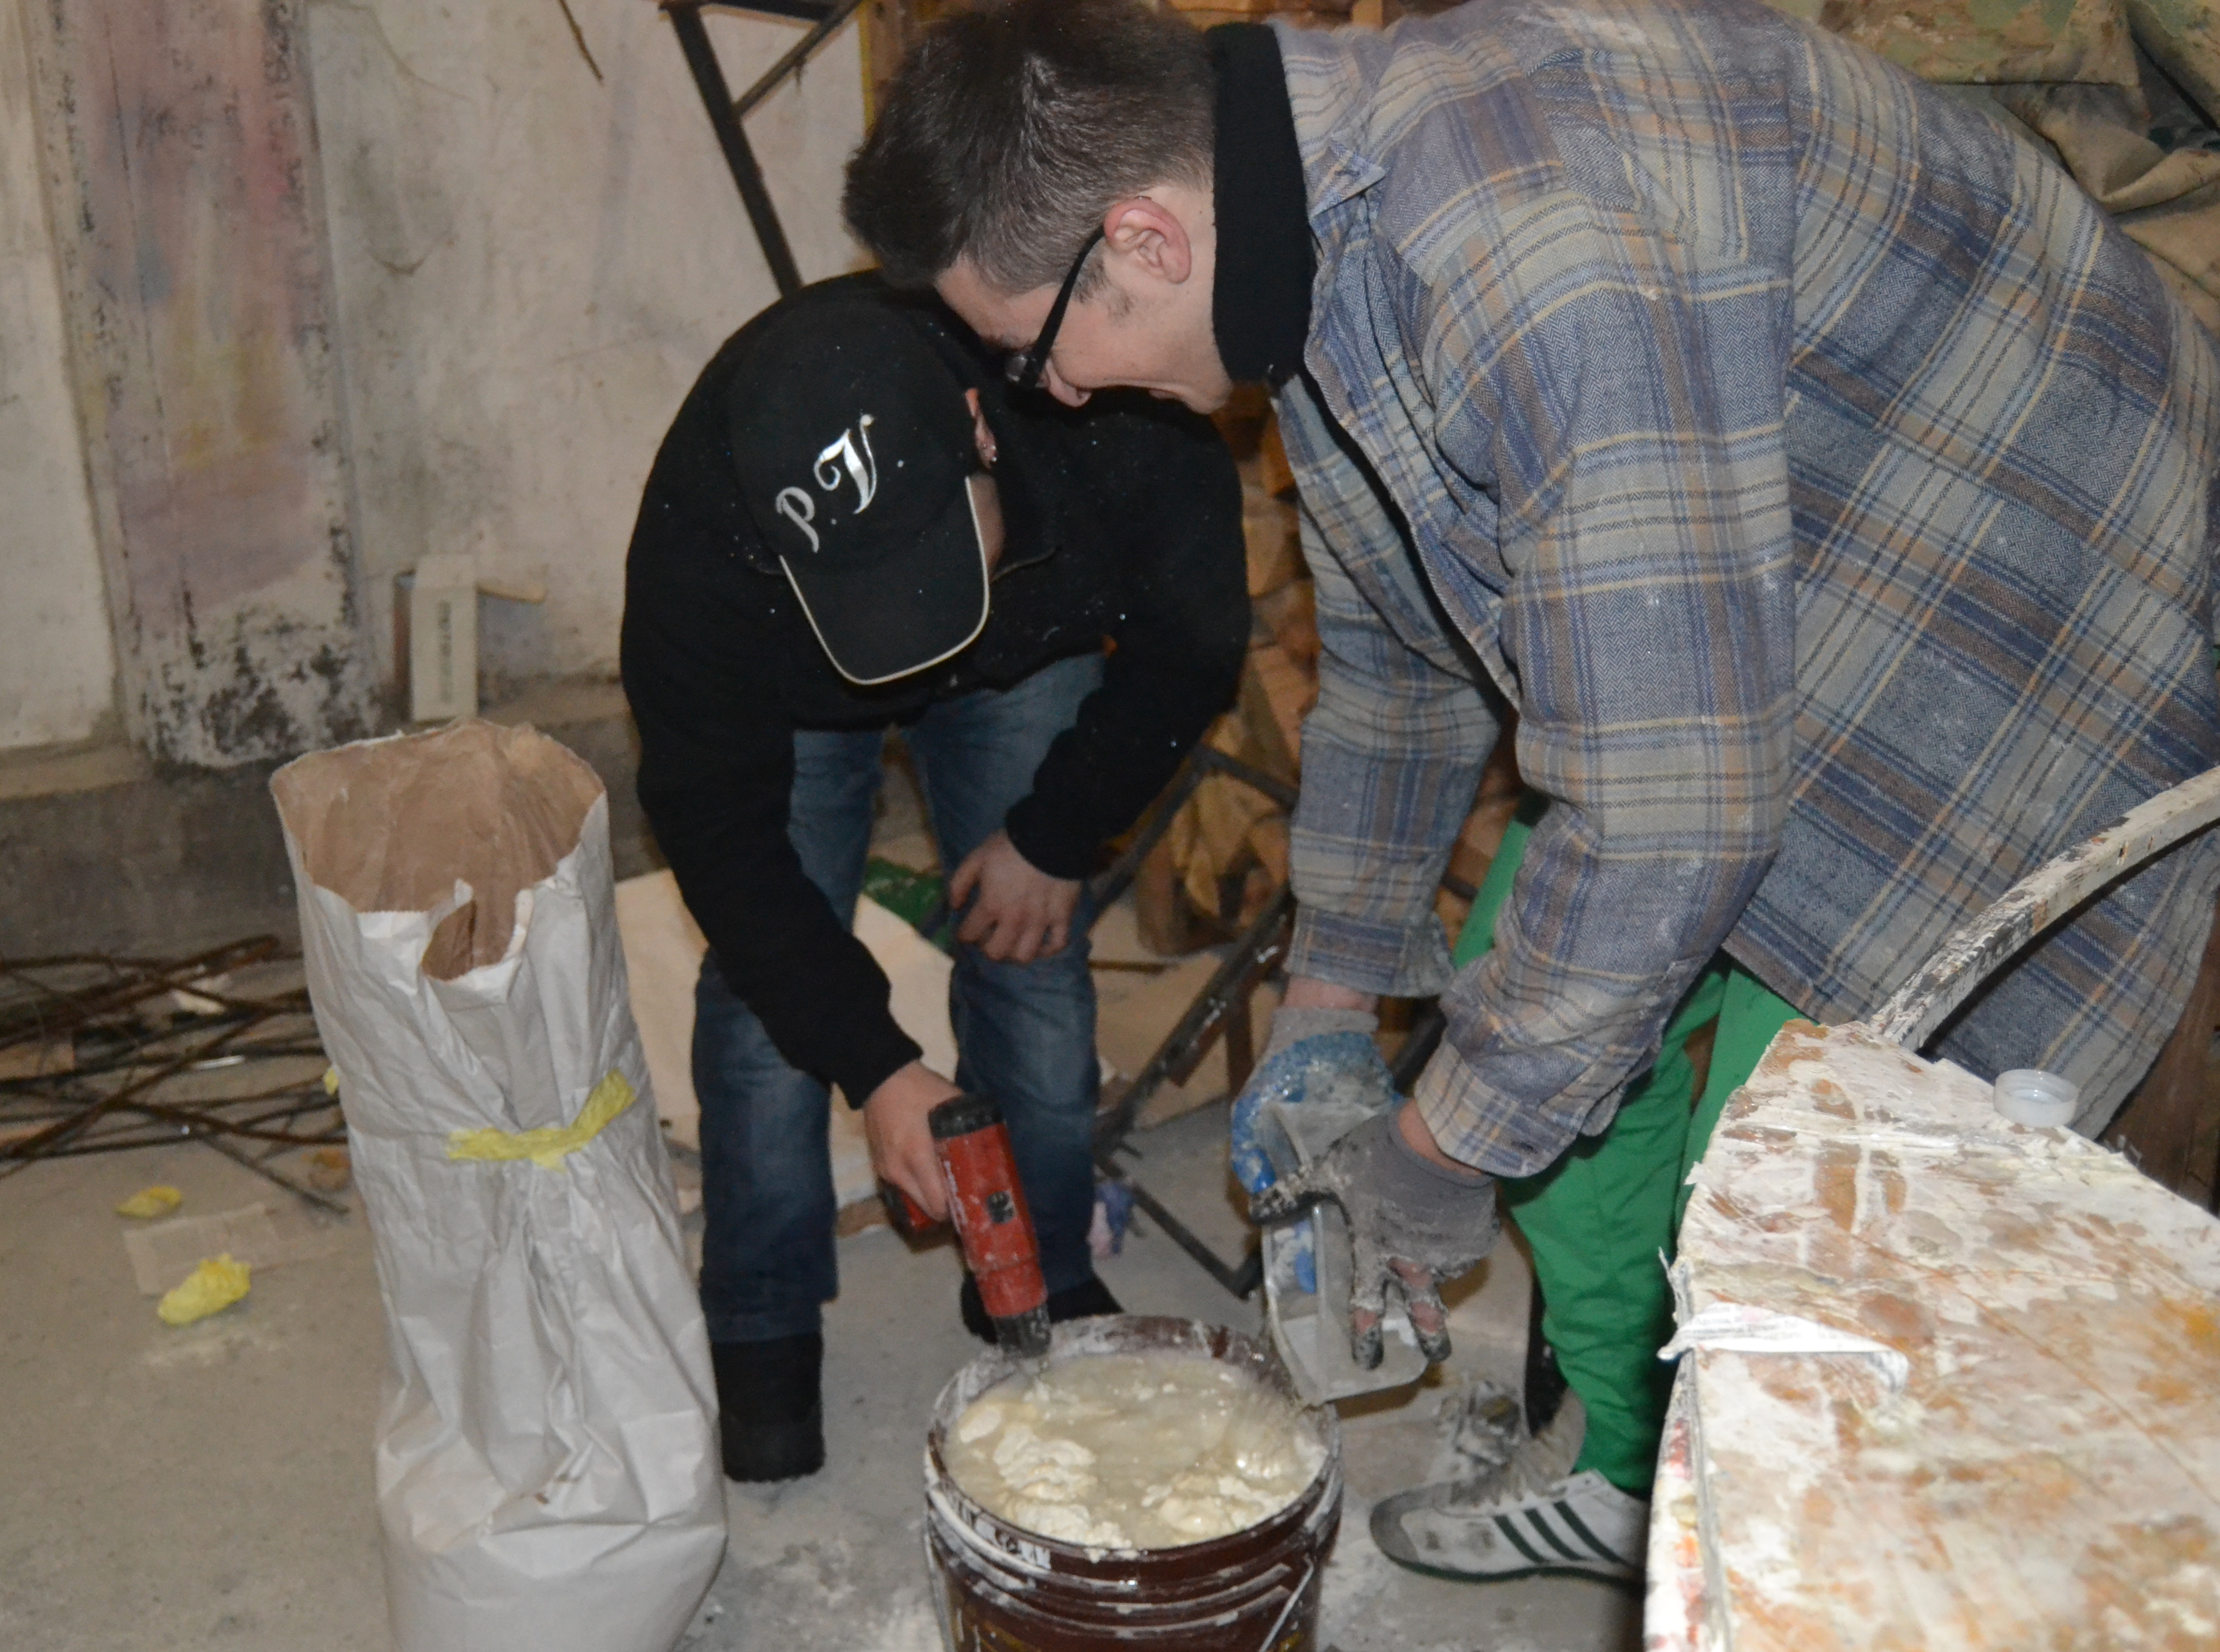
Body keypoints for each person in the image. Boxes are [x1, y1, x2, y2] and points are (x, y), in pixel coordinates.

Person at [843, 0, 2220, 1578]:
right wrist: (1330, 995)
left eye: (1037, 355)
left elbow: (1675, 814)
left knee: (1800, 1238)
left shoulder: (1520, 248)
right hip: (1775, 616)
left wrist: (1441, 1152)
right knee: (1548, 1067)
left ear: (1142, 239)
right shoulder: (1300, 238)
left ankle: (1755, 1508)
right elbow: (1399, 654)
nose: (1065, 399)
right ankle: (1637, 1471)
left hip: (2029, 640)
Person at [621, 275, 1248, 1483]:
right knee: (765, 993)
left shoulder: (1105, 400)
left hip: (1029, 640)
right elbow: (724, 843)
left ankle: (1038, 1265)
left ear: (978, 428)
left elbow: (1195, 641)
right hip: (803, 682)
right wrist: (877, 1065)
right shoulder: (707, 538)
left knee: (1033, 954)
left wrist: (1056, 835)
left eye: (937, 560)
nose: (919, 633)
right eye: (886, 594)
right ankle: (760, 1316)